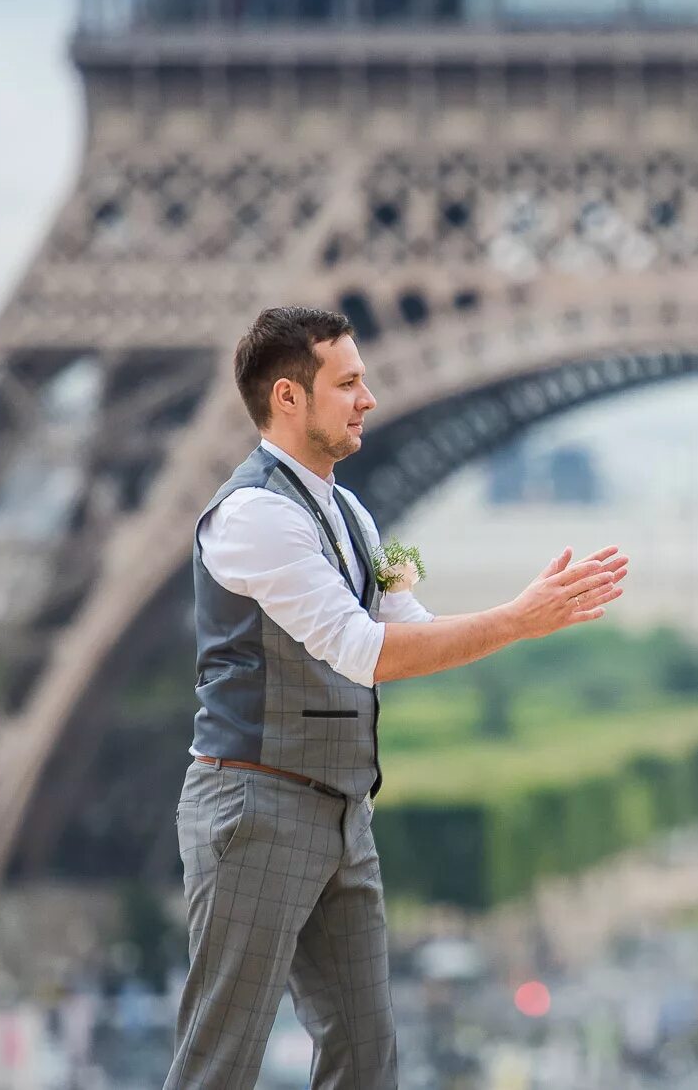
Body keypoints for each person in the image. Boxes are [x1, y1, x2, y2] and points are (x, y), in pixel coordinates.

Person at [164, 306, 627, 1088]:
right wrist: (516, 619)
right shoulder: (254, 517)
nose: (368, 397)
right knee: (222, 1060)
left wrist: (523, 620)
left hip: (341, 809)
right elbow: (366, 650)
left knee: (366, 1055)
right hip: (257, 810)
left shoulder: (349, 514)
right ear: (287, 397)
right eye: (347, 383)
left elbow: (410, 626)